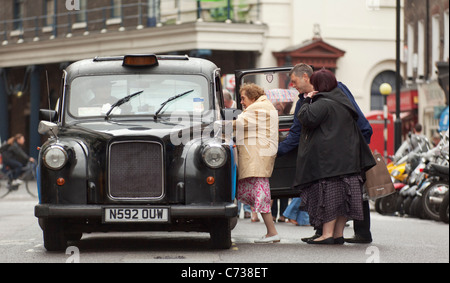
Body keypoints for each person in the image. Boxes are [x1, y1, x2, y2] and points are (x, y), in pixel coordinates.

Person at [280, 63, 374, 244]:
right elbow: (297, 132)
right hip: (343, 154)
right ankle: (328, 233)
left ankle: (356, 232)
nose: (292, 85)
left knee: (334, 193)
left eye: (293, 81)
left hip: (342, 154)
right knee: (342, 193)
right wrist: (279, 150)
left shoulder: (326, 95)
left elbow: (358, 120)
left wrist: (361, 145)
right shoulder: (312, 97)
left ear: (307, 78)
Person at [234, 83, 280, 243]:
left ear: (252, 97)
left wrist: (217, 125)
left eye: (243, 98)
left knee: (261, 198)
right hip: (258, 159)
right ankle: (271, 232)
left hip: (256, 159)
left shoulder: (257, 108)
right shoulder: (264, 106)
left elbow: (239, 123)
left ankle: (272, 233)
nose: (241, 102)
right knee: (259, 197)